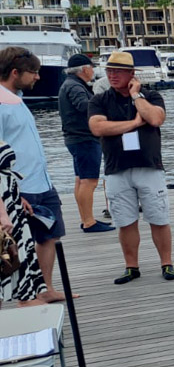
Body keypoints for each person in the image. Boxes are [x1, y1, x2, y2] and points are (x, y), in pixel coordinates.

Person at [88, 51, 174, 284]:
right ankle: (131, 266)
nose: (112, 75)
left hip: (149, 166)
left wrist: (136, 95)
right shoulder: (100, 100)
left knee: (158, 216)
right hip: (117, 168)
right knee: (124, 220)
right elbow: (98, 128)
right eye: (109, 71)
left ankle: (166, 264)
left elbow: (156, 118)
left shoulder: (150, 95)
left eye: (117, 71)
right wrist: (135, 124)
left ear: (131, 74)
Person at [0, 47, 72, 303]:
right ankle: (26, 296)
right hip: (20, 187)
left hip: (42, 182)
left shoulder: (17, 99)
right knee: (22, 243)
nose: (38, 77)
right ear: (15, 72)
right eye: (34, 72)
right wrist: (12, 196)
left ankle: (46, 288)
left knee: (49, 235)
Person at [59, 54, 115, 233]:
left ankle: (86, 218)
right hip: (84, 138)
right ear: (84, 69)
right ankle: (89, 222)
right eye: (91, 67)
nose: (93, 70)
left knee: (81, 180)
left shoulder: (70, 84)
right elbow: (85, 107)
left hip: (75, 138)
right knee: (89, 181)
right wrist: (104, 106)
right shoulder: (75, 86)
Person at [0, 136, 48, 306]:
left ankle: (26, 295)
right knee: (7, 251)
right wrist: (2, 214)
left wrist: (17, 197)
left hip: (9, 200)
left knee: (15, 252)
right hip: (4, 206)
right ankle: (25, 299)